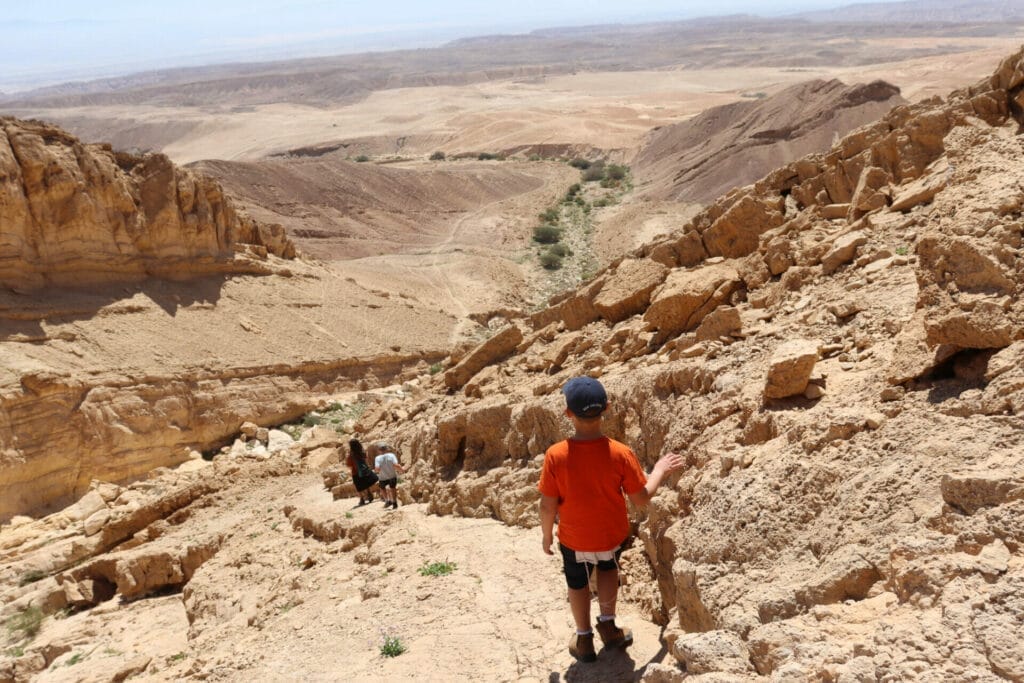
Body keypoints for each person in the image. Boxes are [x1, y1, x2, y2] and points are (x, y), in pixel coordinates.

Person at [539, 376, 685, 664]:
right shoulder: (620, 452)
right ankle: (607, 624)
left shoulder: (555, 456)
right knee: (608, 571)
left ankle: (583, 638)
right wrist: (659, 471)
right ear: (606, 407)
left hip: (573, 538)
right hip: (609, 535)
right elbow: (641, 497)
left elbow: (547, 505)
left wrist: (546, 535)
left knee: (577, 582)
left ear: (568, 413)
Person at [374, 441, 405, 510]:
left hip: (382, 477)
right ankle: (394, 503)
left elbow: (377, 469)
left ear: (379, 450)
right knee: (393, 488)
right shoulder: (391, 455)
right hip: (392, 476)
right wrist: (401, 470)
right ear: (386, 449)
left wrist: (377, 471)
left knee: (382, 488)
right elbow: (396, 465)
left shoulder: (377, 458)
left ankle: (387, 500)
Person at [346, 439, 378, 506]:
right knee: (366, 483)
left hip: (355, 473)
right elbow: (366, 461)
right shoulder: (362, 452)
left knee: (358, 487)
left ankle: (362, 499)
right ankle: (370, 494)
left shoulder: (350, 455)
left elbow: (349, 465)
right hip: (364, 470)